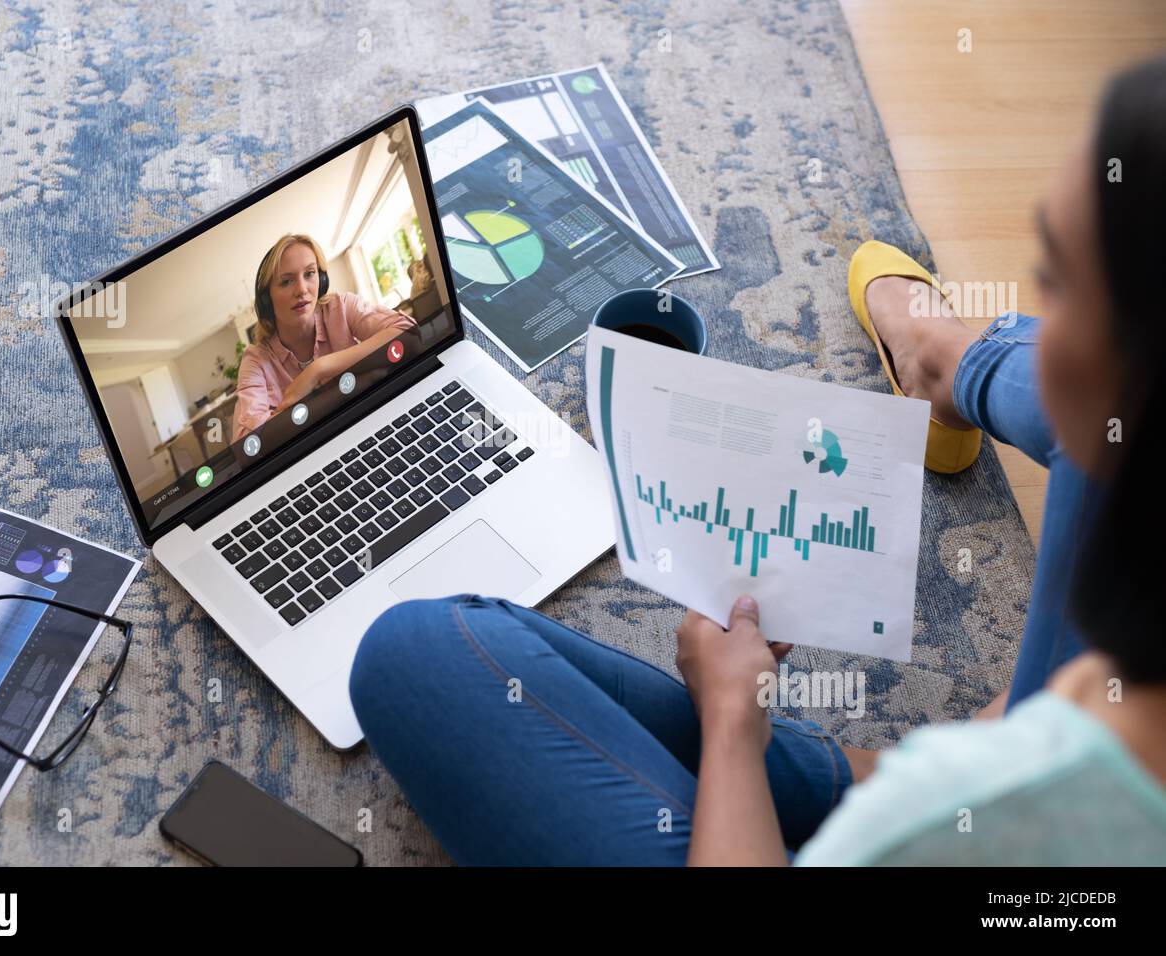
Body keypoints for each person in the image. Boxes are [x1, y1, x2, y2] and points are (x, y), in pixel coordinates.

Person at [346, 55, 1166, 865]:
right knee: (1110, 432)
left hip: (934, 814)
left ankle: (951, 366)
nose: (1034, 320)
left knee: (411, 655)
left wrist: (733, 719)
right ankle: (946, 363)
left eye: (1052, 284)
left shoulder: (941, 828)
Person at [232, 234, 416, 442]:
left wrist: (318, 370)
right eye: (286, 281)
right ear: (267, 299)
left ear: (322, 279)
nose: (302, 289)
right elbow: (249, 446)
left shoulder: (341, 307)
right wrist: (357, 383)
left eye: (310, 273)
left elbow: (409, 336)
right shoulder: (256, 362)